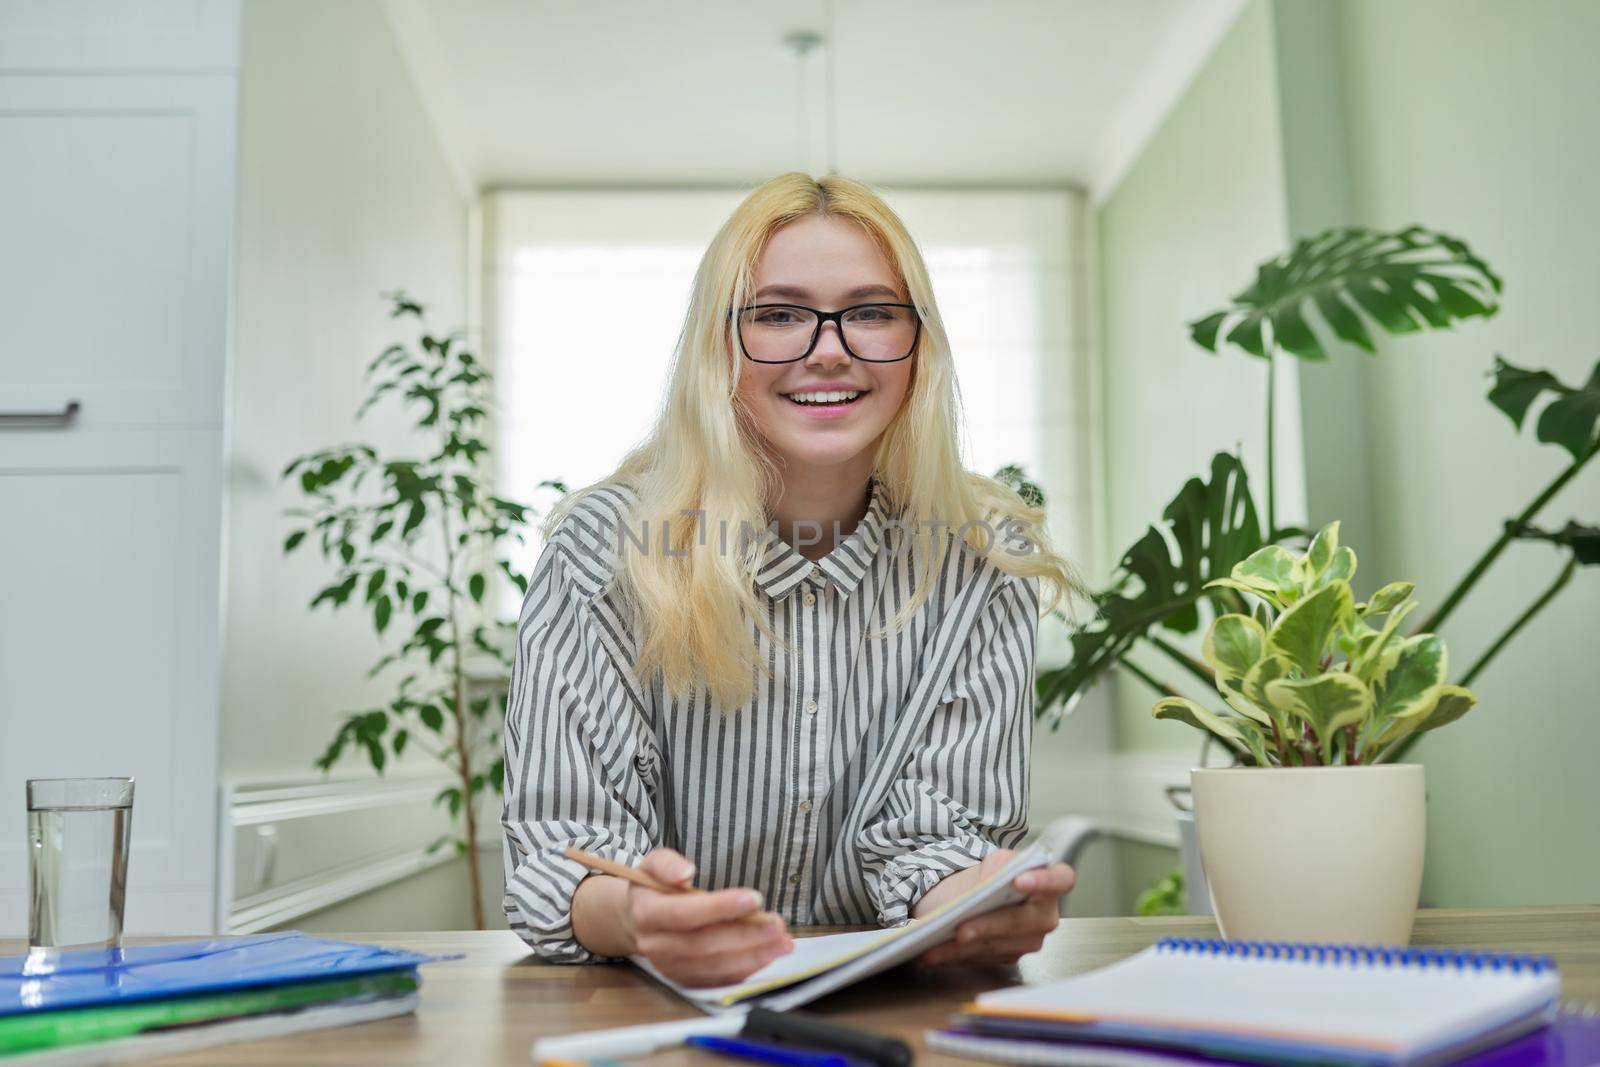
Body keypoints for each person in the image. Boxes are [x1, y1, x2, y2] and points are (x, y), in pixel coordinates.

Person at [501, 172, 1082, 988]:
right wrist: (640, 915)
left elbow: (935, 843)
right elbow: (564, 851)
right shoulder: (604, 550)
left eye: (872, 311)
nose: (830, 347)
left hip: (892, 1014)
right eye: (778, 314)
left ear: (919, 345)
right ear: (720, 345)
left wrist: (980, 899)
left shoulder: (986, 559)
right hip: (654, 1012)